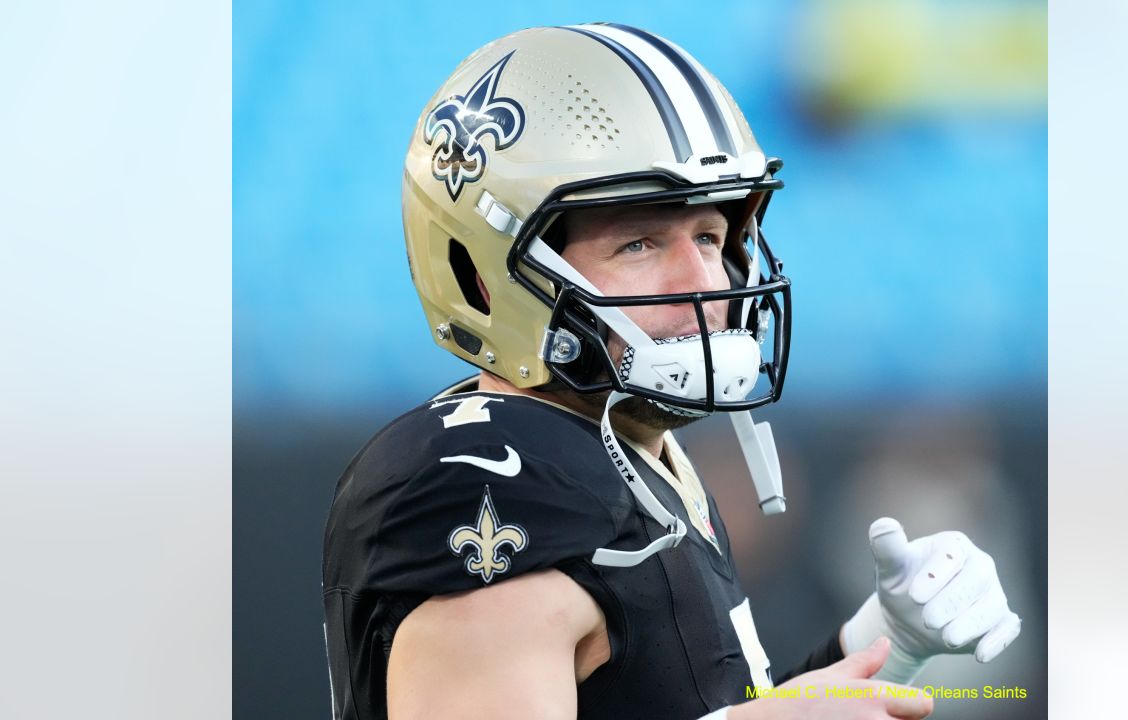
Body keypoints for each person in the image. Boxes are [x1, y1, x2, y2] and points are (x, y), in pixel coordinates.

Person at [323, 23, 1021, 720]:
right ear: (486, 277)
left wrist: (881, 644)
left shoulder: (627, 451)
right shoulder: (482, 472)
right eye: (639, 242)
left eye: (712, 237)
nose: (705, 282)